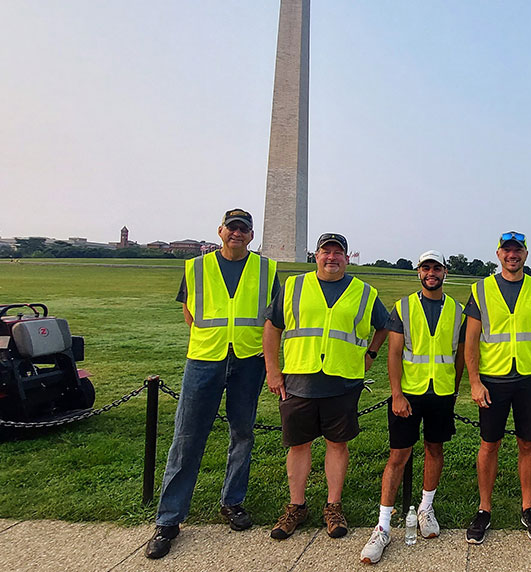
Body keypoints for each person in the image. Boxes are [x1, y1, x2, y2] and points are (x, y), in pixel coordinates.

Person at [145, 209, 279, 559]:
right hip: (204, 359)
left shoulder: (267, 269)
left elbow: (273, 317)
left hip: (248, 359)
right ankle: (169, 519)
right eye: (231, 228)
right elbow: (189, 312)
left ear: (251, 235)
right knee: (187, 437)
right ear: (220, 231)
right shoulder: (196, 267)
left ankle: (232, 502)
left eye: (243, 229)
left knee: (243, 433)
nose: (237, 233)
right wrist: (213, 340)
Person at [262, 233, 390, 542]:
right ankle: (296, 506)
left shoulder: (364, 292)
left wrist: (370, 355)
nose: (331, 257)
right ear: (315, 255)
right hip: (298, 379)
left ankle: (333, 506)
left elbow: (384, 324)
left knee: (337, 444)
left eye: (338, 252)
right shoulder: (293, 286)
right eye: (325, 251)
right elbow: (272, 326)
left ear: (347, 258)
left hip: (343, 380)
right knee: (298, 445)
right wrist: (272, 370)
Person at [360, 251, 467, 564]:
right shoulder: (403, 307)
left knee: (435, 449)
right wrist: (396, 393)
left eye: (436, 267)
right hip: (409, 393)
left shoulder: (457, 310)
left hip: (442, 392)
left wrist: (455, 388)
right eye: (425, 268)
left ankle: (425, 508)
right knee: (398, 456)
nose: (431, 273)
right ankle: (382, 527)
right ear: (419, 272)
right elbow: (394, 353)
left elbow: (460, 355)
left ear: (444, 272)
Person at [462, 231, 531, 545]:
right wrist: (474, 382)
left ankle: (528, 507)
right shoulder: (481, 289)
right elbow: (471, 341)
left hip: (530, 380)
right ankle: (484, 508)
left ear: (526, 255)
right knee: (489, 445)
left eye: (517, 250)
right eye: (507, 250)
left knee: (528, 444)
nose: (512, 255)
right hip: (493, 380)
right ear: (498, 254)